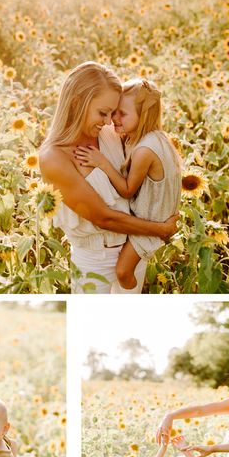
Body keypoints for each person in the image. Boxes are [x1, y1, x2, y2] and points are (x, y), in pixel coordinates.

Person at [39, 62, 179, 294]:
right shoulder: (54, 157)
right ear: (76, 103)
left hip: (133, 249)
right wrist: (160, 229)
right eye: (102, 112)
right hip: (94, 259)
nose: (108, 121)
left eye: (113, 113)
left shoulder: (110, 133)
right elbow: (103, 218)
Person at [74, 77, 181, 292]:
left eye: (122, 114)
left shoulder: (145, 151)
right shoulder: (141, 138)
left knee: (123, 272)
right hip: (145, 214)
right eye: (114, 111)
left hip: (151, 220)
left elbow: (127, 189)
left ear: (144, 117)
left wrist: (102, 163)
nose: (114, 118)